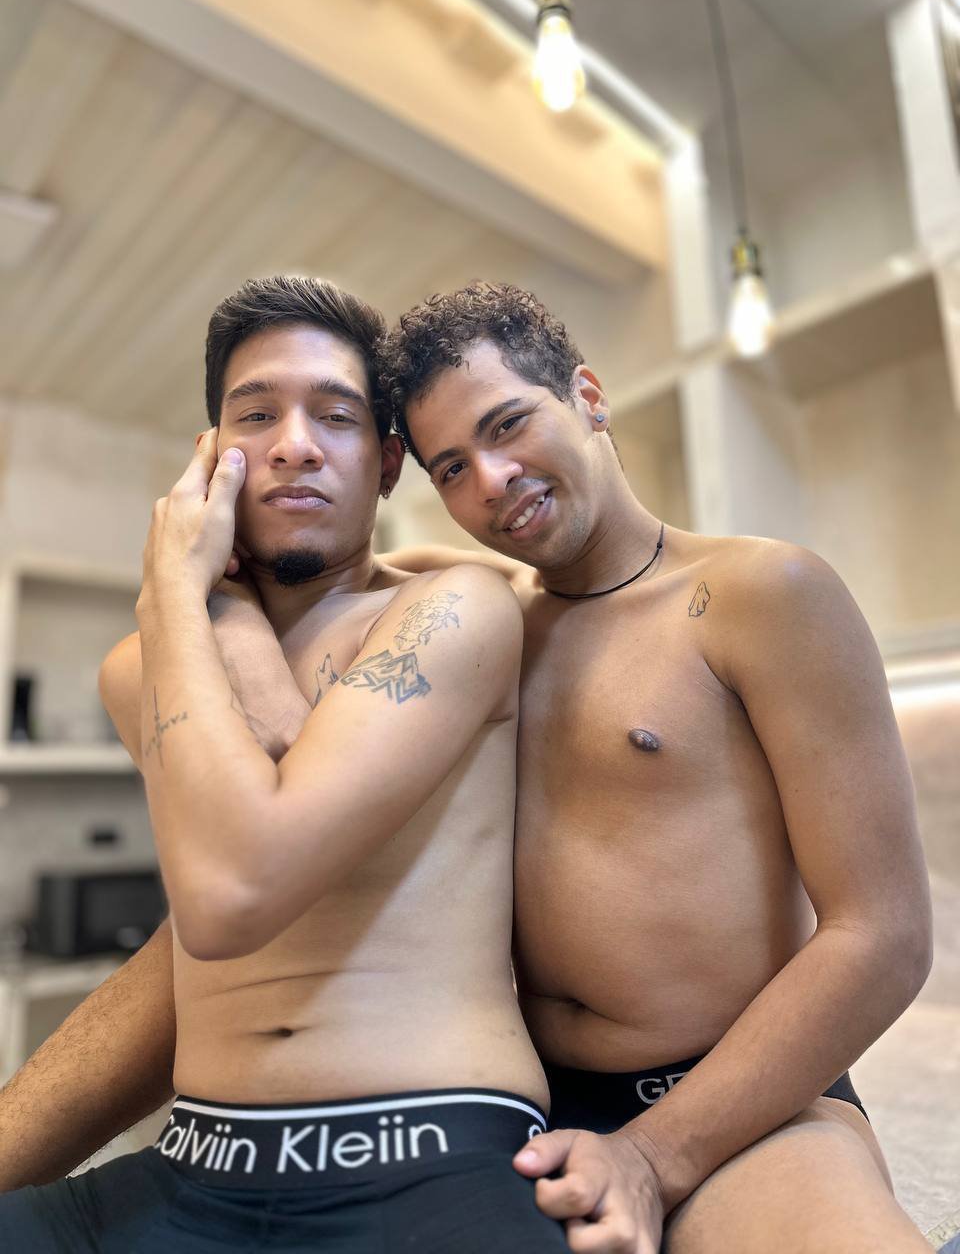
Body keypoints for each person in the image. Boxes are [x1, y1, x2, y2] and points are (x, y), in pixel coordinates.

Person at [0, 280, 933, 1254]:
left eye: (510, 424)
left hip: (721, 1090)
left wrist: (653, 1155)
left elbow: (883, 933)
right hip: (532, 1104)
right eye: (452, 465)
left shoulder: (758, 593)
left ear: (588, 396)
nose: (493, 479)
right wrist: (213, 596)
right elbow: (296, 612)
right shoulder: (465, 600)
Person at [0, 276, 567, 1253]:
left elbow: (235, 886)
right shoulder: (141, 663)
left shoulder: (453, 609)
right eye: (256, 414)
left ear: (388, 461)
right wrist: (196, 601)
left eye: (336, 417)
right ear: (209, 458)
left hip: (427, 1157)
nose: (295, 444)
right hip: (194, 1163)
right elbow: (257, 770)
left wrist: (182, 593)